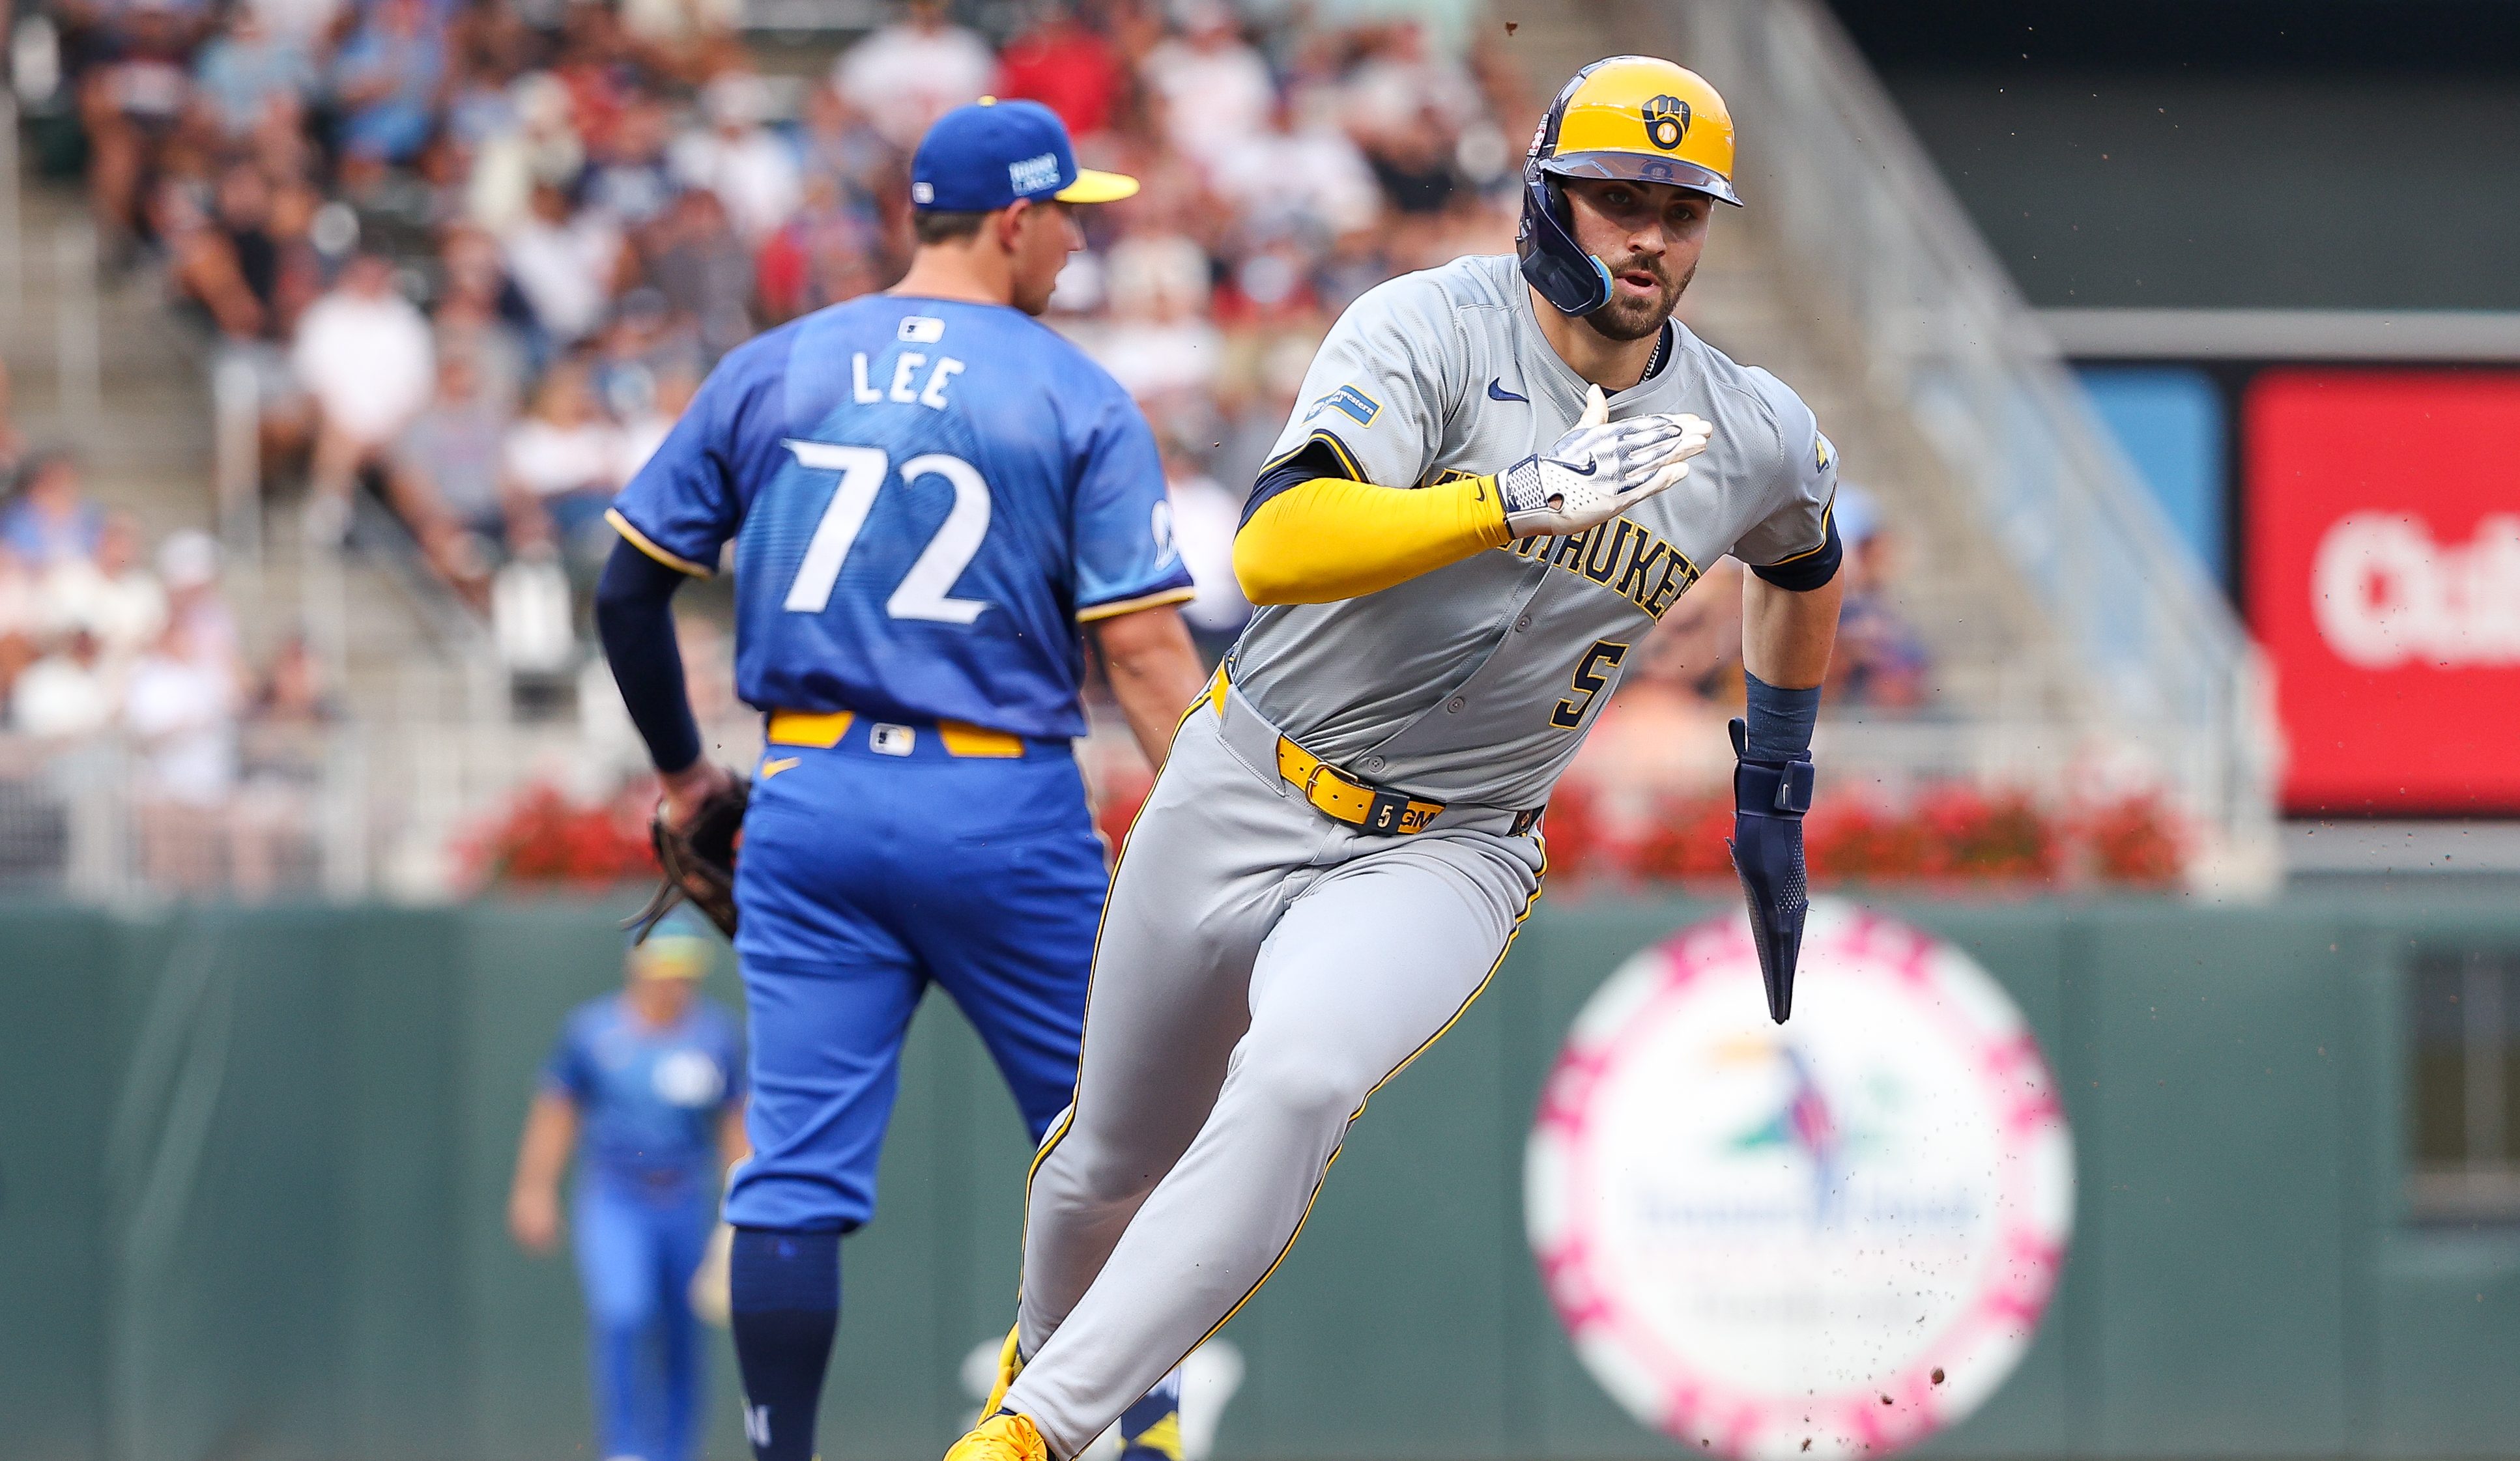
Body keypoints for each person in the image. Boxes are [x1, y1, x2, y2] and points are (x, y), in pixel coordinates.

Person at [941, 57, 1846, 1461]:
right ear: (1545, 198)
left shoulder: (1745, 426)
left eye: (1680, 205)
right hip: (1248, 773)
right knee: (1103, 1162)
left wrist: (1772, 783)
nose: (1650, 234)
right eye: (1616, 196)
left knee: (1301, 1075)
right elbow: (1274, 546)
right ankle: (1079, 1388)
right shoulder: (1423, 326)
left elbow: (1802, 557)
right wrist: (1505, 501)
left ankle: (1035, 1431)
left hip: (1453, 838)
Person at [595, 99, 1209, 1461]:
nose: (1073, 239)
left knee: (790, 1179)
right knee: (1110, 1143)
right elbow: (1152, 659)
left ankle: (776, 1449)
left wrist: (691, 778)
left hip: (810, 800)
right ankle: (1140, 1431)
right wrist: (1254, 827)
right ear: (1011, 220)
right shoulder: (1067, 390)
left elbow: (627, 590)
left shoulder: (780, 365)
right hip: (1000, 806)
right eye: (1066, 214)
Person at [508, 910, 749, 1461]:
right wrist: (534, 1189)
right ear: (637, 967)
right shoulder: (593, 1032)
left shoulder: (715, 1033)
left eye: (686, 968)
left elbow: (734, 1122)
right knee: (624, 1311)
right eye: (665, 966)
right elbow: (556, 1110)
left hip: (685, 1195)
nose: (675, 980)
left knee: (685, 1332)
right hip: (617, 1195)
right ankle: (625, 1449)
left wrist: (742, 1205)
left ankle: (675, 1451)